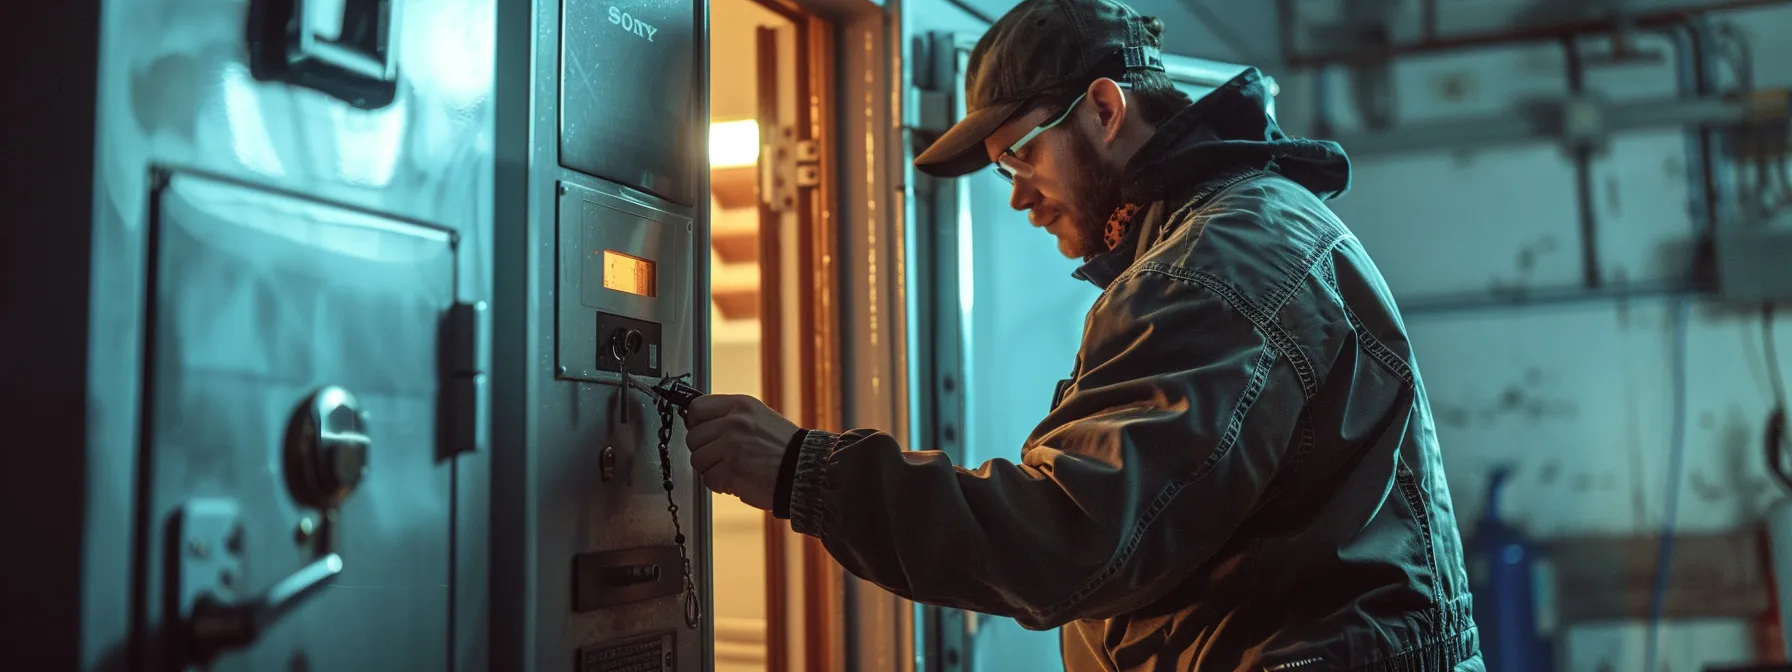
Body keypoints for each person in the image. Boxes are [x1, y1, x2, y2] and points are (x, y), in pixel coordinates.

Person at [682, 0, 1482, 669]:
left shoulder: (1214, 264)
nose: (1017, 197)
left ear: (1104, 109)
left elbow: (1073, 533)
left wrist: (803, 471)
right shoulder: (1234, 232)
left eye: (1020, 156)